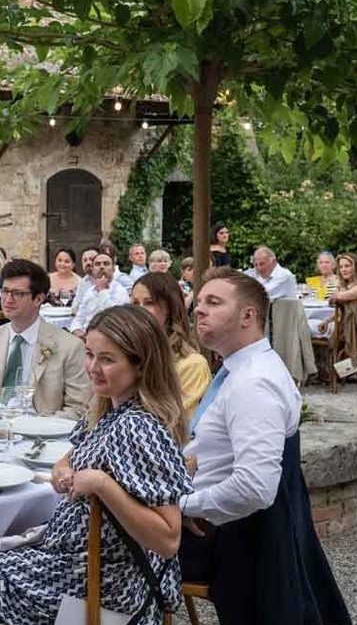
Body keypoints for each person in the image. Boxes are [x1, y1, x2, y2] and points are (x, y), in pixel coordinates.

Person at [0, 304, 190, 625]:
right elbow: (72, 453)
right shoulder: (110, 412)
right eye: (90, 355)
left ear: (141, 363)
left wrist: (102, 485)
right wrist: (63, 468)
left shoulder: (140, 428)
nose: (93, 367)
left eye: (108, 359)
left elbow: (168, 539)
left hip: (108, 609)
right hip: (81, 578)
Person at [179, 270, 302, 580]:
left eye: (214, 302)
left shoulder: (253, 383)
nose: (198, 309)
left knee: (97, 544)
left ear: (248, 316)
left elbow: (254, 488)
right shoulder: (241, 369)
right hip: (217, 525)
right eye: (200, 301)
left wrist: (182, 507)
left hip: (224, 541)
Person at [0, 259, 89, 418]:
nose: (7, 299)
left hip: (43, 434)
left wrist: (36, 428)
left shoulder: (69, 346)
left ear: (39, 299)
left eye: (18, 293)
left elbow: (78, 408)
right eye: (5, 291)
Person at [130, 271, 212, 413]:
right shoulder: (125, 354)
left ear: (169, 308)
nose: (139, 310)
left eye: (149, 303)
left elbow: (178, 422)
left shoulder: (192, 365)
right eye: (135, 303)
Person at [73, 242, 130, 331]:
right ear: (92, 268)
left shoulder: (120, 291)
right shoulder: (90, 291)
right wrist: (75, 329)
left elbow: (111, 318)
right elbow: (79, 317)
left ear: (113, 269)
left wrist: (102, 290)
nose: (101, 267)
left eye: (106, 264)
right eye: (97, 264)